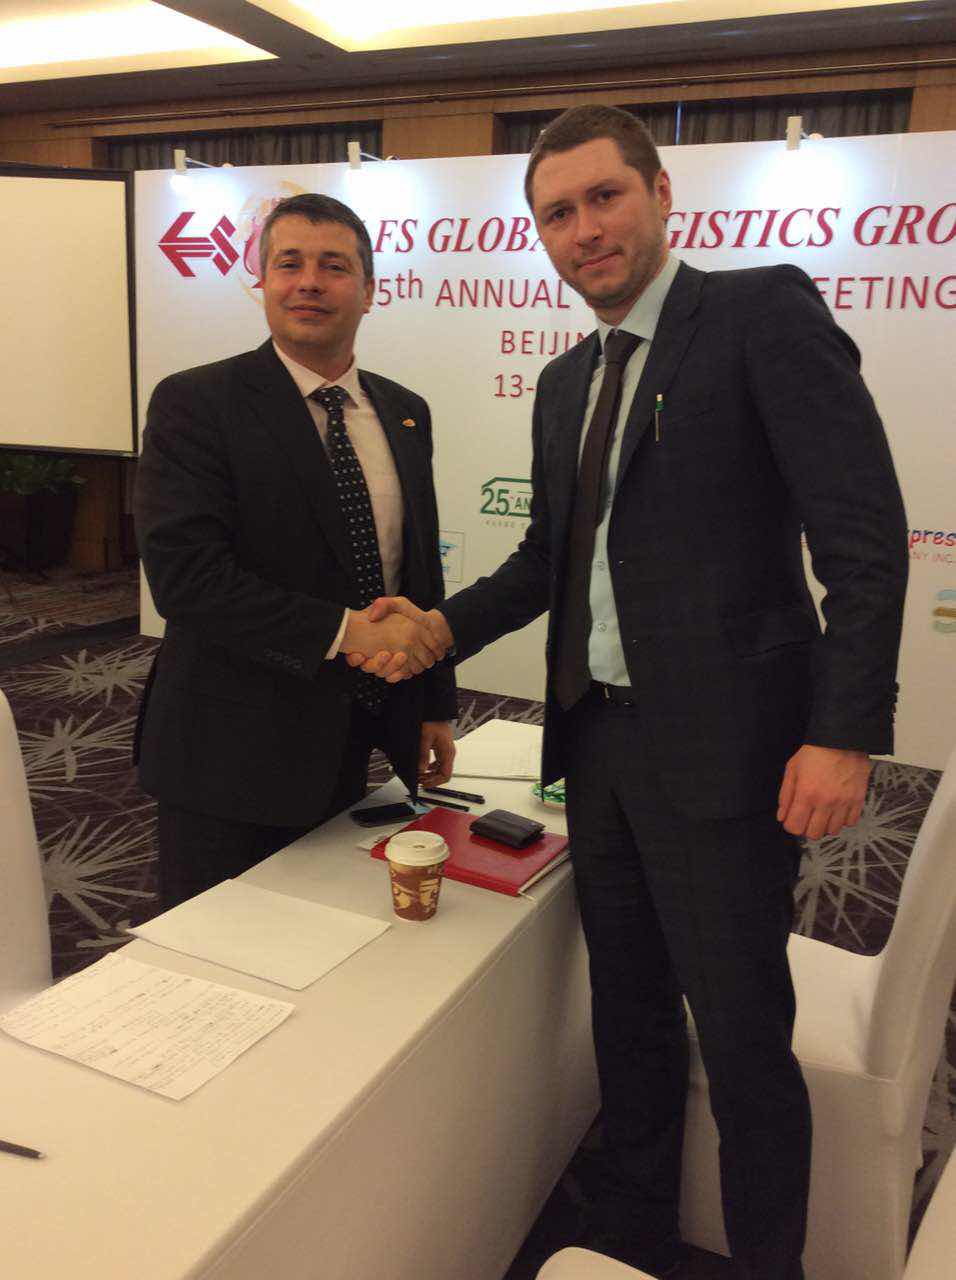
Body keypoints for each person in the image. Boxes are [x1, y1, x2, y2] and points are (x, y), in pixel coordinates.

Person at [347, 107, 908, 1278]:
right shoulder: (565, 381)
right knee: (627, 1008)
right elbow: (542, 559)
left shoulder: (756, 315)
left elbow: (861, 542)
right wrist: (437, 627)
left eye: (603, 197)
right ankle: (631, 1228)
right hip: (596, 746)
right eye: (557, 213)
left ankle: (765, 1263)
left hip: (729, 752)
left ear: (660, 195)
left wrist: (842, 731)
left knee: (742, 1042)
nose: (583, 229)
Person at [134, 192, 455, 911]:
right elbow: (187, 580)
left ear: (369, 290)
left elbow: (415, 571)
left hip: (350, 739)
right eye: (290, 263)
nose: (309, 282)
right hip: (227, 751)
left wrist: (432, 703)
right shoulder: (196, 402)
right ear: (263, 282)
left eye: (334, 266)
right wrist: (346, 632)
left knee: (328, 940)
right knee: (215, 949)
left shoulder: (404, 410)